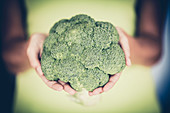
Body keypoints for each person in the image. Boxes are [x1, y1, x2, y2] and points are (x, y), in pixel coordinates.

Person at [0, 0, 167, 112]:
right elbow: (9, 56)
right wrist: (32, 49)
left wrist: (124, 47)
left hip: (134, 105)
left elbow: (154, 49)